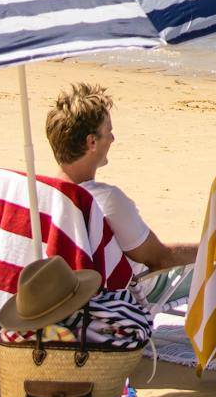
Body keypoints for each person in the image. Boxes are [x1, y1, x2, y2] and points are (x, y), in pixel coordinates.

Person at [45, 83, 196, 272]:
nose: (112, 139)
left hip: (72, 288)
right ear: (92, 142)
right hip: (136, 292)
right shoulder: (104, 200)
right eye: (108, 132)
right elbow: (160, 259)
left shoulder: (42, 193)